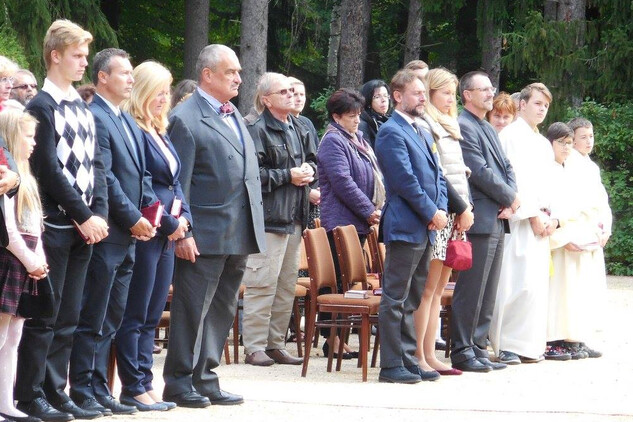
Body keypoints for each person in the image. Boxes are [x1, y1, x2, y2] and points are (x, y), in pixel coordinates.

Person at [15, 19, 109, 422]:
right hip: (55, 223)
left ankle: (56, 389)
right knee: (45, 316)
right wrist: (83, 214)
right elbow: (49, 170)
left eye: (86, 56)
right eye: (77, 55)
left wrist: (99, 214)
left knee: (70, 315)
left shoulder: (82, 107)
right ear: (55, 56)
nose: (84, 63)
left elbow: (96, 165)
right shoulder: (41, 105)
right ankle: (30, 393)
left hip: (83, 226)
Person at [162, 44, 265, 407]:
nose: (239, 78)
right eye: (230, 72)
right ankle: (178, 381)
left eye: (238, 72)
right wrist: (183, 232)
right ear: (208, 75)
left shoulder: (232, 111)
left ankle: (205, 376)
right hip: (203, 233)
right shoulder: (185, 118)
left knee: (221, 307)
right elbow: (179, 183)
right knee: (192, 308)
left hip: (238, 229)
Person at [68, 48, 160, 417]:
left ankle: (102, 388)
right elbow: (104, 176)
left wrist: (149, 216)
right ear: (102, 77)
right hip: (110, 231)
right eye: (123, 73)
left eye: (131, 73)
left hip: (131, 235)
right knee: (93, 313)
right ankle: (82, 388)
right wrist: (132, 218)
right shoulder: (96, 117)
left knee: (112, 316)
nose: (130, 79)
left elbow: (144, 176)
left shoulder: (127, 119)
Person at [117, 60, 191, 410]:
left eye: (167, 92)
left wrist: (185, 218)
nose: (164, 98)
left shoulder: (159, 129)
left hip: (167, 232)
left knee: (153, 312)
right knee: (137, 311)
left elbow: (175, 181)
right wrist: (169, 223)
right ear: (142, 91)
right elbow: (144, 186)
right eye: (158, 92)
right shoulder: (134, 129)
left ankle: (146, 381)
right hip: (149, 229)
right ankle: (132, 384)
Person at [375, 69, 448, 384]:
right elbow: (405, 181)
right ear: (398, 96)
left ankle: (408, 358)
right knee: (396, 297)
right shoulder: (391, 132)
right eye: (416, 93)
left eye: (423, 93)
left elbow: (438, 176)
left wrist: (442, 208)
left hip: (427, 225)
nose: (422, 98)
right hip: (406, 223)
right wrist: (432, 211)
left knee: (414, 296)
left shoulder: (423, 130)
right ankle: (391, 365)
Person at [242, 72, 315, 367]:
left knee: (286, 286)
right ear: (266, 99)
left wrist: (310, 171)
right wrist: (288, 176)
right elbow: (251, 176)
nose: (290, 95)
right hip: (269, 220)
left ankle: (275, 344)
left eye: (291, 90)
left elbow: (313, 160)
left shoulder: (298, 126)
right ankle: (254, 347)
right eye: (283, 91)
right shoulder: (256, 129)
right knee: (263, 283)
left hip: (295, 217)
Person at [450, 71, 519, 373]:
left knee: (488, 288)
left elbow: (505, 166)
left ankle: (478, 345)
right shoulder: (464, 125)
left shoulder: (487, 126)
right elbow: (478, 171)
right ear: (466, 94)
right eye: (484, 90)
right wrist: (508, 196)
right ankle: (462, 349)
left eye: (491, 89)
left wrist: (511, 195)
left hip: (497, 215)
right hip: (480, 217)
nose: (491, 94)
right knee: (472, 287)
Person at [412, 68, 473, 376]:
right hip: (442, 211)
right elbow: (439, 175)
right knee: (427, 289)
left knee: (438, 289)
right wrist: (461, 206)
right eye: (445, 93)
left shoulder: (451, 124)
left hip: (456, 212)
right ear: (431, 93)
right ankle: (420, 355)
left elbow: (458, 173)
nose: (451, 98)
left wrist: (466, 207)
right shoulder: (427, 124)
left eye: (453, 92)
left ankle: (431, 355)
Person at [491, 82, 557, 365]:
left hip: (541, 221)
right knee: (515, 282)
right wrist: (530, 215)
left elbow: (552, 184)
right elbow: (513, 181)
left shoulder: (543, 143)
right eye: (537, 103)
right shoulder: (511, 136)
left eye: (545, 105)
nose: (541, 109)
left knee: (536, 285)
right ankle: (506, 343)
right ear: (522, 104)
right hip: (519, 221)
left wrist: (553, 217)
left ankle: (530, 345)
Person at [317, 87, 384, 357]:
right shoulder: (333, 141)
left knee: (347, 283)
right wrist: (369, 210)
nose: (357, 120)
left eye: (358, 114)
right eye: (350, 115)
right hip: (340, 221)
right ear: (336, 116)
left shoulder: (357, 139)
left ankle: (340, 338)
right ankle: (331, 339)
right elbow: (343, 182)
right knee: (338, 282)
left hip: (356, 221)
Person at [0, 110, 46, 422]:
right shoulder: (6, 175)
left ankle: (6, 402)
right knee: (1, 334)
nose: (33, 143)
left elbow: (36, 227)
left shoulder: (26, 176)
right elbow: (8, 230)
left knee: (14, 337)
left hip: (29, 260)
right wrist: (31, 261)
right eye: (27, 136)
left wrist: (39, 258)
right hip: (12, 259)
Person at [358, 79, 390, 149]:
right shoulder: (362, 124)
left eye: (385, 96)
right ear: (368, 100)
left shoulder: (388, 119)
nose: (383, 100)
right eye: (377, 97)